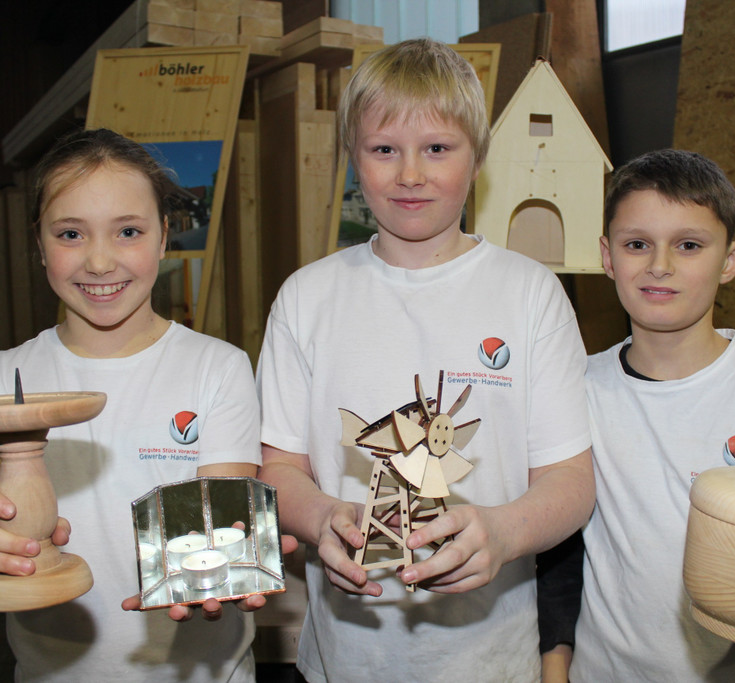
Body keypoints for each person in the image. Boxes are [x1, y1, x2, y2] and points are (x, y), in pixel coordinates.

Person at [255, 37, 595, 682]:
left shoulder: (530, 294)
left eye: (437, 148)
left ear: (478, 156)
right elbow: (278, 467)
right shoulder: (306, 298)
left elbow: (571, 481)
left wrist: (503, 532)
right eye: (384, 149)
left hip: (492, 663)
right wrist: (324, 518)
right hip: (344, 662)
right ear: (352, 156)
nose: (410, 174)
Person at [0, 128, 279, 681]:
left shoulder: (218, 368)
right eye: (71, 233)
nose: (99, 262)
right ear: (38, 243)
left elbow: (222, 532)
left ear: (164, 237)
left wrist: (237, 565)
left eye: (128, 231)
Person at [558, 148, 735, 682]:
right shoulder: (577, 387)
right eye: (637, 244)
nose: (659, 265)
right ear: (607, 256)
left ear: (731, 260)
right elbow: (558, 558)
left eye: (688, 245)